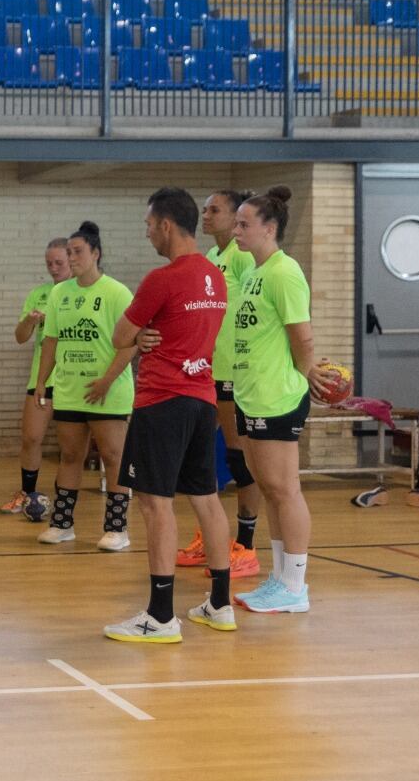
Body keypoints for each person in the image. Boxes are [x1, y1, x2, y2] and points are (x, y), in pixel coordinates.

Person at [103, 187, 234, 643]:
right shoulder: (214, 277)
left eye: (147, 225)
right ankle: (220, 604)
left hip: (162, 402)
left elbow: (121, 335)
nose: (146, 234)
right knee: (207, 498)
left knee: (155, 504)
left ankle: (160, 616)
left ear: (165, 224)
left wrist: (140, 339)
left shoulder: (162, 279)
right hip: (202, 401)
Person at [230, 186, 342, 614]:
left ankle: (295, 585)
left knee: (285, 488)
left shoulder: (284, 271)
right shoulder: (253, 272)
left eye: (245, 224)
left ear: (269, 228)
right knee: (269, 488)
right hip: (252, 393)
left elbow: (302, 333)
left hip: (278, 396)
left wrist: (308, 369)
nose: (237, 231)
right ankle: (279, 580)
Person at [33, 222, 135, 551]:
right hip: (69, 389)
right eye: (69, 252)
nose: (71, 257)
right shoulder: (60, 293)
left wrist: (107, 381)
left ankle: (117, 529)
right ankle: (63, 524)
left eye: (78, 252)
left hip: (108, 392)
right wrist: (41, 382)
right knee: (70, 455)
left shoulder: (117, 293)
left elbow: (131, 343)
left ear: (95, 253)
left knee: (113, 456)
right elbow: (51, 341)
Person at [176, 189, 262, 578]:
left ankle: (246, 545)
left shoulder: (244, 259)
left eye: (215, 210)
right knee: (197, 454)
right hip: (205, 369)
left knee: (238, 457)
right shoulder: (211, 257)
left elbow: (252, 314)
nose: (207, 215)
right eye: (205, 210)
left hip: (234, 371)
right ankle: (208, 539)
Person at [0, 239, 72, 517]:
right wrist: (30, 320)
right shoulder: (39, 293)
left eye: (59, 263)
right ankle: (28, 494)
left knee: (70, 446)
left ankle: (64, 498)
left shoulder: (79, 293)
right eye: (49, 264)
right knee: (30, 438)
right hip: (41, 379)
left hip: (71, 381)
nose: (53, 268)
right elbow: (20, 337)